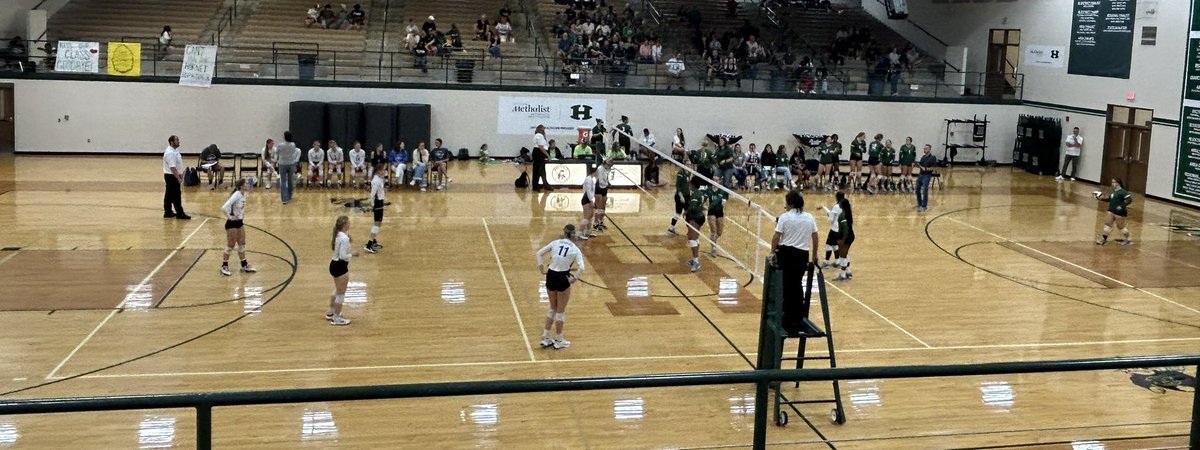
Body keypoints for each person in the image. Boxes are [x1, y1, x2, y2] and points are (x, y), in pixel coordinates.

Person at [770, 189, 819, 334]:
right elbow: (815, 237)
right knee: (797, 285)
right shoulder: (809, 217)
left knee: (786, 286)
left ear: (789, 203)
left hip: (787, 254)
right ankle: (797, 318)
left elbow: (776, 237)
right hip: (802, 255)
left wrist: (772, 253)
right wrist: (815, 255)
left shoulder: (784, 217)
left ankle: (787, 318)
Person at [536, 224, 586, 349]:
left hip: (551, 275)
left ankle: (546, 337)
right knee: (560, 311)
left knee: (552, 308)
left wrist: (541, 268)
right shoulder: (575, 249)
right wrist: (574, 278)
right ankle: (559, 339)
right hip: (563, 277)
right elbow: (582, 267)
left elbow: (539, 253)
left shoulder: (555, 242)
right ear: (573, 234)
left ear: (564, 233)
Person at [220, 179, 258, 276]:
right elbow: (224, 207)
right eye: (246, 183)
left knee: (242, 244)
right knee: (231, 245)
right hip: (232, 224)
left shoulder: (244, 194)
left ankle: (244, 265)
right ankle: (224, 266)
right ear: (241, 186)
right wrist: (230, 217)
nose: (248, 185)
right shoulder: (237, 194)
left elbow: (240, 208)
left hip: (240, 222)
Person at [327, 215, 354, 326]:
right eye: (348, 223)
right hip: (341, 266)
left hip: (333, 265)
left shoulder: (339, 235)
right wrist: (354, 254)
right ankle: (337, 318)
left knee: (338, 290)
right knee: (341, 293)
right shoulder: (344, 238)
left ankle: (331, 312)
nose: (350, 224)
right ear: (344, 225)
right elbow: (343, 256)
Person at [1095, 179, 1134, 246]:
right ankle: (1104, 239)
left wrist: (1121, 206)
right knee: (1107, 224)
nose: (1112, 184)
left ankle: (1129, 239)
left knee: (1120, 227)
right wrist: (1101, 198)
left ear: (1118, 183)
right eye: (1112, 182)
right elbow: (1109, 199)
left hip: (1120, 212)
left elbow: (1129, 200)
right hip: (1111, 210)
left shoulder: (1123, 192)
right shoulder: (1114, 192)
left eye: (1113, 182)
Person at [162, 135, 190, 220]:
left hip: (172, 175)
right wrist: (178, 177)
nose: (179, 141)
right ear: (172, 142)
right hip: (171, 176)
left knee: (169, 194)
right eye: (177, 140)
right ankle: (180, 213)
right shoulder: (170, 153)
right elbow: (172, 167)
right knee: (176, 195)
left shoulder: (175, 151)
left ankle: (168, 212)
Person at [684, 176, 708, 272]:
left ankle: (696, 262)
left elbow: (693, 207)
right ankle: (694, 259)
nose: (689, 185)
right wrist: (701, 206)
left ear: (693, 185)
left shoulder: (695, 195)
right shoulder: (700, 193)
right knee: (694, 238)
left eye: (690, 184)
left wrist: (686, 212)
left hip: (696, 218)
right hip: (700, 217)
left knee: (692, 239)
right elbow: (703, 200)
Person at [830, 192, 854, 281]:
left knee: (842, 256)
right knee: (845, 254)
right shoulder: (848, 213)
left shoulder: (842, 215)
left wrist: (842, 240)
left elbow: (845, 228)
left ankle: (843, 276)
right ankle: (848, 271)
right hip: (850, 236)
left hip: (846, 237)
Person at [365, 163, 386, 253]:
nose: (384, 171)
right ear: (379, 171)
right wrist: (372, 205)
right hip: (378, 203)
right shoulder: (376, 181)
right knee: (377, 223)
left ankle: (373, 241)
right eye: (383, 170)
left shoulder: (379, 179)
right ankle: (369, 244)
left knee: (377, 223)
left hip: (379, 202)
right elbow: (372, 194)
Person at [277, 131, 300, 204]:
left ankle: (284, 198)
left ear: (284, 137)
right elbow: (293, 152)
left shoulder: (280, 145)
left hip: (282, 164)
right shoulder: (293, 144)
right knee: (290, 180)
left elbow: (277, 152)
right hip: (291, 163)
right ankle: (289, 196)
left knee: (283, 180)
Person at [706, 179, 727, 257]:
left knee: (719, 232)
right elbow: (705, 199)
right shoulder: (708, 190)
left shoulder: (721, 190)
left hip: (719, 211)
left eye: (717, 180)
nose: (715, 182)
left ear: (719, 182)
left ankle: (713, 241)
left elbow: (718, 201)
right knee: (713, 231)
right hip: (711, 212)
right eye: (714, 180)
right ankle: (714, 248)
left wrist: (708, 206)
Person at [819, 198, 841, 269]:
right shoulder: (843, 206)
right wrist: (823, 207)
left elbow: (830, 218)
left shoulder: (836, 207)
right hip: (840, 230)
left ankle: (826, 262)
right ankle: (837, 261)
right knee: (834, 245)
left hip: (834, 230)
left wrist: (828, 217)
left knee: (828, 245)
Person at [668, 165, 690, 235]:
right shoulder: (680, 173)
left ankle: (690, 230)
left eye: (690, 165)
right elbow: (678, 186)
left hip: (687, 196)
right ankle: (671, 228)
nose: (689, 166)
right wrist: (681, 196)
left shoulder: (688, 173)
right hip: (680, 197)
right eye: (687, 165)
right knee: (678, 213)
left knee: (688, 213)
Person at [915, 144, 937, 212]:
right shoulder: (923, 157)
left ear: (930, 149)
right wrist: (916, 165)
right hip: (920, 175)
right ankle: (919, 204)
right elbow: (920, 165)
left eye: (926, 148)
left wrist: (926, 169)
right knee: (917, 190)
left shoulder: (933, 157)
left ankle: (924, 206)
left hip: (926, 176)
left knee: (925, 191)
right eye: (924, 149)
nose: (925, 150)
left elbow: (933, 167)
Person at [593, 158, 613, 232]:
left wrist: (608, 182)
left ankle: (601, 221)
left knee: (603, 207)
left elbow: (606, 178)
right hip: (599, 188)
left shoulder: (607, 169)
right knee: (599, 207)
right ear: (605, 164)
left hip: (604, 188)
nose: (609, 167)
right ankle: (595, 223)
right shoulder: (600, 168)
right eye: (609, 165)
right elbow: (601, 181)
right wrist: (607, 184)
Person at [532, 125, 554, 191]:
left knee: (540, 171)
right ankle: (536, 187)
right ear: (541, 130)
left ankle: (544, 185)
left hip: (537, 153)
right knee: (538, 171)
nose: (544, 131)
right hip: (539, 153)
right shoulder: (540, 136)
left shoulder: (536, 135)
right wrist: (548, 155)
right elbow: (541, 147)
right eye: (543, 130)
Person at [579, 166, 598, 240]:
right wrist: (591, 201)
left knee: (590, 216)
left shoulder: (590, 179)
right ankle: (579, 233)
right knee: (587, 217)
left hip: (588, 198)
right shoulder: (589, 179)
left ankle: (588, 232)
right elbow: (588, 191)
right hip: (587, 199)